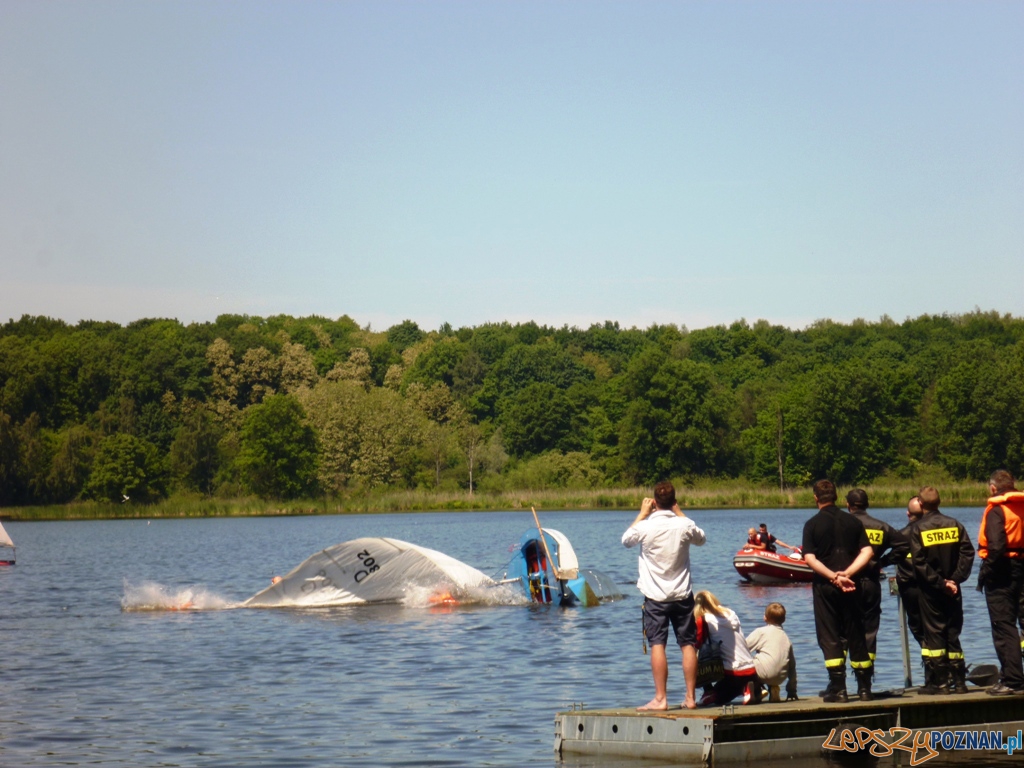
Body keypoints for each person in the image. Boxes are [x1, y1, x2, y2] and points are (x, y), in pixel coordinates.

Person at [622, 481, 707, 711]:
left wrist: (641, 514)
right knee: (688, 645)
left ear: (654, 502)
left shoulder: (646, 526)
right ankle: (690, 698)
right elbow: (701, 538)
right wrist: (679, 513)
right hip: (682, 595)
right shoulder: (684, 525)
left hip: (655, 597)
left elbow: (626, 540)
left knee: (657, 645)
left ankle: (661, 699)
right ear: (674, 501)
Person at [801, 479, 875, 702]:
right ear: (836, 496)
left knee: (830, 635)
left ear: (816, 498)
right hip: (853, 585)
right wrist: (848, 574)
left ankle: (839, 690)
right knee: (856, 633)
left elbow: (809, 558)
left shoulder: (812, 524)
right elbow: (868, 552)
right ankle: (864, 689)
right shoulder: (852, 521)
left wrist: (833, 576)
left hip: (826, 587)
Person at [909, 486, 975, 695]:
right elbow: (968, 553)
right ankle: (961, 683)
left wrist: (940, 582)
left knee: (935, 635)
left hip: (931, 590)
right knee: (953, 632)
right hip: (953, 589)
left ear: (920, 503)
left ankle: (942, 684)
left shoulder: (918, 529)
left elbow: (918, 563)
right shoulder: (955, 524)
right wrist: (955, 580)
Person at [846, 489, 910, 666]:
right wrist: (882, 562)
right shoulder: (881, 526)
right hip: (871, 583)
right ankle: (867, 677)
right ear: (867, 505)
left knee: (844, 628)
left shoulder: (843, 526)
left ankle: (840, 682)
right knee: (869, 629)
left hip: (846, 583)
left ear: (847, 505)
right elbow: (904, 545)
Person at [976, 469, 1024, 695]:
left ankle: (1012, 681)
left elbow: (995, 546)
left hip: (1002, 571)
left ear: (994, 488)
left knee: (1003, 626)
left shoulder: (997, 510)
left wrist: (986, 570)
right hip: (1022, 567)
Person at [693, 591, 757, 706]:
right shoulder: (731, 614)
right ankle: (747, 689)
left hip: (733, 674)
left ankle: (709, 691)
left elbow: (696, 645)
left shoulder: (703, 620)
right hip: (752, 671)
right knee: (730, 689)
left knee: (692, 657)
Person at [745, 602, 798, 704]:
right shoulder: (786, 638)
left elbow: (742, 649)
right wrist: (792, 690)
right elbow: (792, 666)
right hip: (780, 677)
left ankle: (757, 689)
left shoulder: (760, 632)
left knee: (746, 662)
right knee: (771, 659)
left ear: (765, 618)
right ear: (784, 620)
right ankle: (773, 688)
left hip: (764, 674)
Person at [896, 496, 925, 647]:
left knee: (916, 626)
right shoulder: (931, 531)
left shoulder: (900, 536)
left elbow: (891, 558)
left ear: (908, 514)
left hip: (909, 588)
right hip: (933, 586)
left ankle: (928, 658)